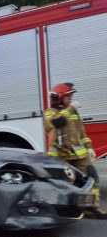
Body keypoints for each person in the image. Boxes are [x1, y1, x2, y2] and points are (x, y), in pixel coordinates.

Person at [44, 82, 107, 218]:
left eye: (71, 96)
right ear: (58, 98)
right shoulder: (50, 112)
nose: (70, 99)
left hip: (80, 156)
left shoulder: (73, 113)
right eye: (68, 96)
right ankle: (71, 210)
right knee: (67, 184)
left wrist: (89, 147)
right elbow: (56, 123)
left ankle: (92, 208)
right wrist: (71, 108)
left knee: (92, 179)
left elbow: (81, 133)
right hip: (61, 157)